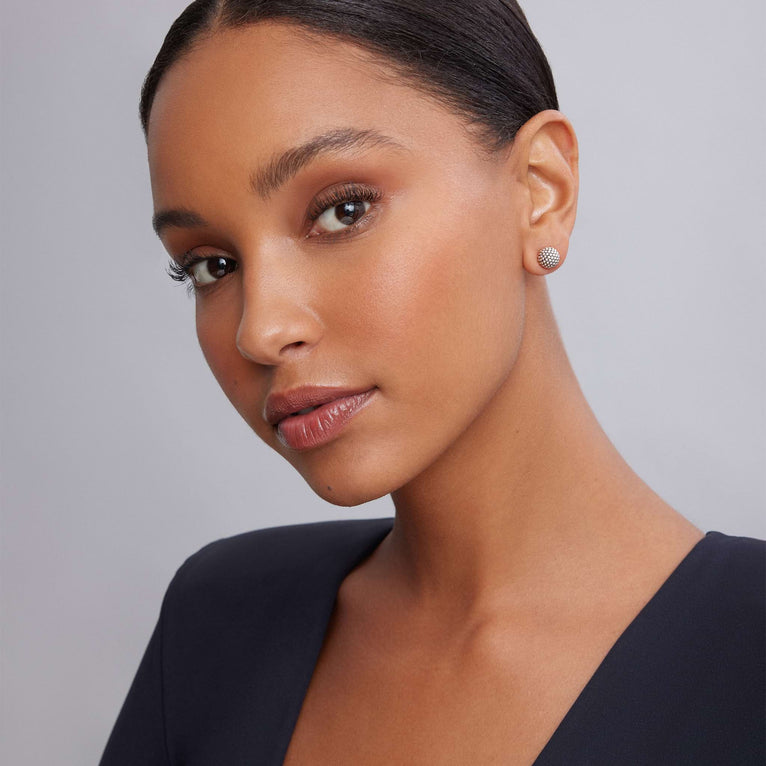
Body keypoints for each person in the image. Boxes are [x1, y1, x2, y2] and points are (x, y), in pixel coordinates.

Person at [99, 1, 765, 763]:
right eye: (212, 265)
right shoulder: (216, 622)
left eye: (342, 211)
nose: (259, 329)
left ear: (540, 191)